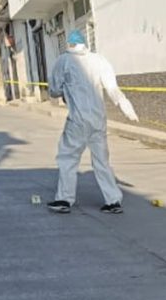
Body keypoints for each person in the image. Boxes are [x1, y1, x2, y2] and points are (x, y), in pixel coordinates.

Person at [47, 30, 138, 215]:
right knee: (102, 161)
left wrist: (65, 91)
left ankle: (64, 199)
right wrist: (126, 107)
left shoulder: (64, 61)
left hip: (77, 120)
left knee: (68, 158)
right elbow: (112, 88)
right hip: (98, 120)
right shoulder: (99, 60)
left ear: (69, 44)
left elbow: (54, 90)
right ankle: (113, 201)